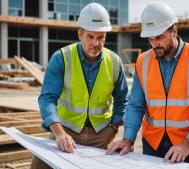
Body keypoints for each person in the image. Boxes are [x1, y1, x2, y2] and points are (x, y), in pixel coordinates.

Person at [106, 1, 189, 167]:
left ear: (174, 31)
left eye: (159, 37)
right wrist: (128, 139)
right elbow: (136, 105)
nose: (155, 44)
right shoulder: (142, 61)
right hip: (153, 144)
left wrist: (187, 144)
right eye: (151, 39)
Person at [30, 3, 129, 169]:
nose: (96, 43)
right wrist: (59, 133)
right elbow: (47, 98)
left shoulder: (114, 62)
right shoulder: (61, 58)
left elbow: (123, 100)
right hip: (66, 130)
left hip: (102, 133)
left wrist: (113, 129)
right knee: (39, 165)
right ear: (80, 34)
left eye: (101, 37)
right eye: (90, 36)